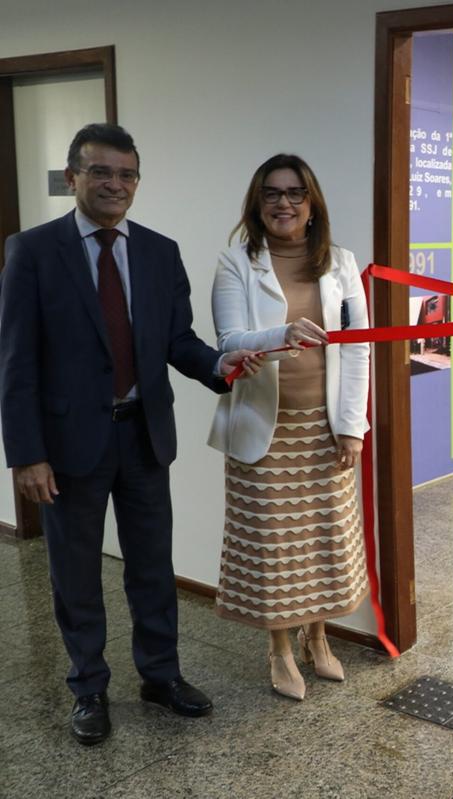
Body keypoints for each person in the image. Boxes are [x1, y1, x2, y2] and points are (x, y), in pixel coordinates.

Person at [0, 123, 261, 746]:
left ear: (137, 182)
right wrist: (27, 454)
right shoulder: (32, 251)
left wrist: (219, 367)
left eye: (126, 174)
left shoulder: (157, 251)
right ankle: (88, 686)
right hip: (67, 448)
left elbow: (174, 341)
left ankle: (160, 676)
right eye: (100, 172)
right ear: (73, 178)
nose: (115, 184)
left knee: (151, 566)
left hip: (144, 436)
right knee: (76, 572)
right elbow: (16, 361)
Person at [208, 153, 370, 701]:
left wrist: (352, 426)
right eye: (272, 193)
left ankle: (318, 640)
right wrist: (279, 335)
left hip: (324, 428)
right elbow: (229, 343)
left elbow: (358, 350)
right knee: (277, 547)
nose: (284, 203)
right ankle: (279, 648)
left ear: (311, 203)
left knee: (323, 542)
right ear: (258, 203)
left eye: (295, 193)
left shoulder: (341, 263)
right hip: (264, 430)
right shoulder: (236, 263)